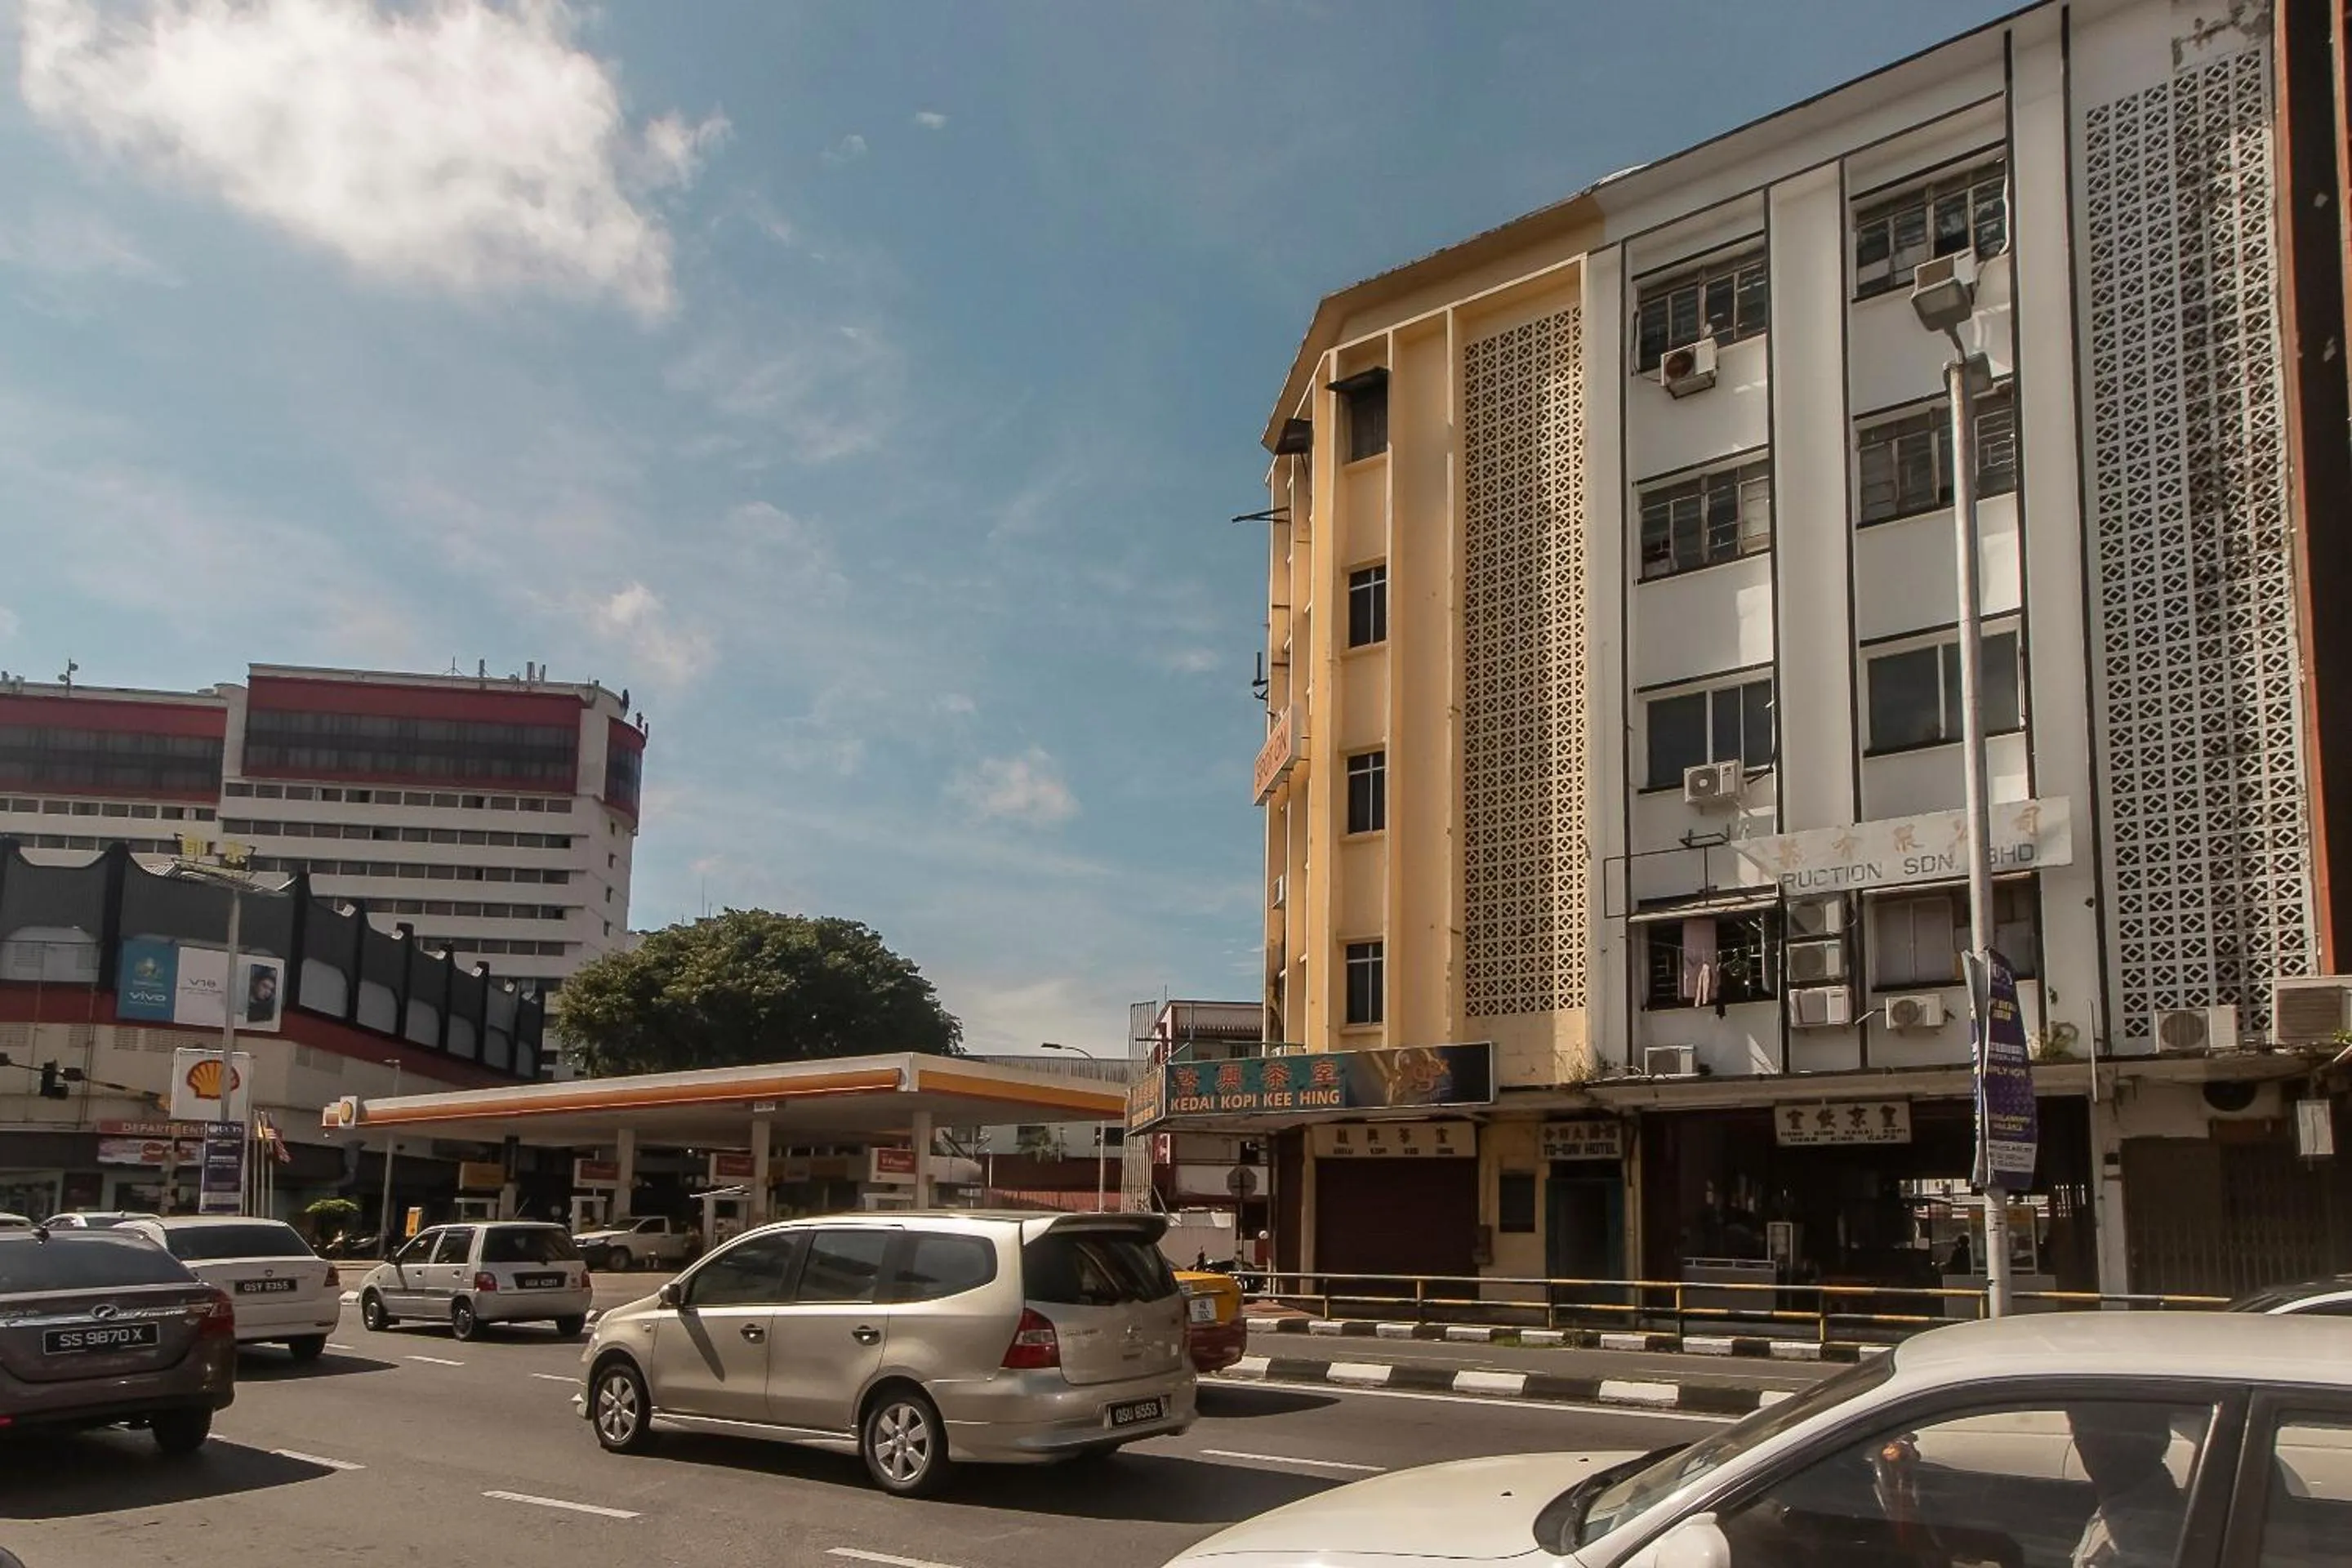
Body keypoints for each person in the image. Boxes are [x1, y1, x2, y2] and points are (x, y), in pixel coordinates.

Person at [2067, 1404, 2189, 1568]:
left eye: (2098, 1437)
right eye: (2080, 1434)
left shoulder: (2139, 1540)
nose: (2087, 1448)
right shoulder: (2127, 1504)